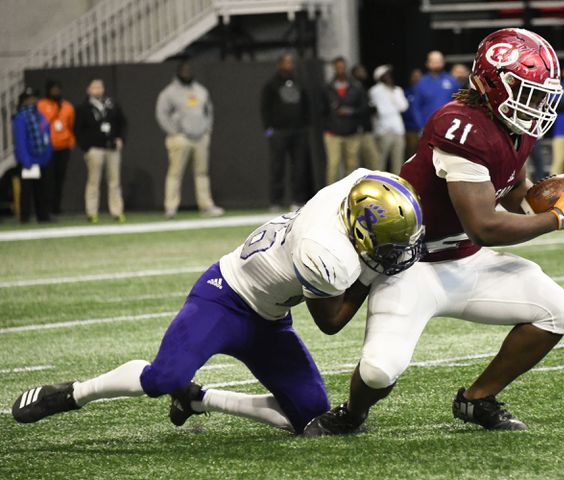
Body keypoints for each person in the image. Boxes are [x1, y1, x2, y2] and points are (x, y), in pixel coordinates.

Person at [305, 28, 564, 436]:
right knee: (377, 371)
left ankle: (477, 399)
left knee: (561, 311)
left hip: (465, 260)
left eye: (540, 93)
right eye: (525, 91)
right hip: (412, 266)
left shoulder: (516, 125)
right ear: (493, 85)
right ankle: (352, 413)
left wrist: (539, 199)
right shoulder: (458, 126)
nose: (535, 104)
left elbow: (510, 187)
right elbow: (485, 225)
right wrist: (556, 219)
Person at [12, 170, 425, 436]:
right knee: (162, 378)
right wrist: (373, 276)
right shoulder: (324, 253)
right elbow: (331, 323)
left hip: (270, 320)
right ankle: (72, 393)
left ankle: (198, 398)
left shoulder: (361, 187)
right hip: (223, 298)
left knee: (310, 418)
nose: (396, 254)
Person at [156, 60, 224, 219]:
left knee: (202, 173)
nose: (187, 73)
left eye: (189, 70)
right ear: (178, 73)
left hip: (200, 138)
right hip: (181, 138)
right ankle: (171, 208)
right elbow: (161, 114)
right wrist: (174, 132)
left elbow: (209, 111)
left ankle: (206, 206)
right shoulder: (169, 92)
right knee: (175, 173)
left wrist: (207, 130)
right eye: (184, 70)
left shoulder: (200, 91)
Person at [261, 53, 311, 211]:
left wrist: (304, 126)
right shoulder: (271, 84)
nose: (290, 65)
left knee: (299, 167)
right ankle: (276, 201)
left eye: (291, 63)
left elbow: (305, 104)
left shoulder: (298, 82)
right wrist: (269, 129)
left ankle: (298, 200)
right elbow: (265, 108)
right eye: (287, 62)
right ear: (279, 64)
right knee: (277, 167)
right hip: (279, 132)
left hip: (298, 132)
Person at [74, 78, 127, 223]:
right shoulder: (83, 108)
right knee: (93, 181)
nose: (97, 90)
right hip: (95, 149)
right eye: (94, 87)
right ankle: (92, 212)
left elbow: (122, 123)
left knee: (114, 181)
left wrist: (120, 138)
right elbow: (77, 130)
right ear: (88, 90)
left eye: (100, 87)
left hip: (111, 148)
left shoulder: (112, 105)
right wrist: (87, 147)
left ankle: (117, 211)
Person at [323, 57, 367, 184]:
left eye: (342, 67)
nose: (340, 70)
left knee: (351, 167)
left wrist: (351, 111)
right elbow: (322, 111)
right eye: (338, 67)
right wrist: (327, 127)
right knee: (333, 165)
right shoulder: (328, 88)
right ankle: (329, 197)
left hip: (351, 131)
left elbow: (364, 108)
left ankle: (348, 196)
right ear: (334, 69)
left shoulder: (355, 87)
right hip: (333, 133)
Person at [12, 86, 52, 223]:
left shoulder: (40, 116)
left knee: (42, 190)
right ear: (24, 101)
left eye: (34, 98)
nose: (32, 101)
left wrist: (47, 155)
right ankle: (25, 217)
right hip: (28, 160)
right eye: (29, 99)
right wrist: (25, 160)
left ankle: (43, 216)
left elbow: (46, 135)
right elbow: (20, 140)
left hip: (41, 159)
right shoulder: (20, 117)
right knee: (26, 191)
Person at [37, 79, 75, 216]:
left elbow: (71, 126)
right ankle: (46, 208)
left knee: (60, 178)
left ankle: (56, 207)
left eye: (58, 89)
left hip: (63, 147)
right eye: (53, 89)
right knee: (48, 179)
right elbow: (40, 125)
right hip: (48, 148)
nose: (56, 92)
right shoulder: (41, 105)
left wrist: (70, 142)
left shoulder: (68, 106)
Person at [369, 65, 409, 174]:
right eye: (385, 75)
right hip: (384, 130)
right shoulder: (375, 91)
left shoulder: (397, 90)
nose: (388, 77)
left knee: (398, 160)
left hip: (398, 129)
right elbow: (381, 110)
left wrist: (393, 93)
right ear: (379, 77)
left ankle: (395, 186)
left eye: (389, 74)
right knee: (380, 161)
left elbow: (404, 107)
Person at [414, 51, 459, 128]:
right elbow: (416, 107)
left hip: (449, 126)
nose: (437, 63)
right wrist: (420, 126)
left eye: (439, 60)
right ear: (427, 63)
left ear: (443, 62)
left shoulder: (452, 81)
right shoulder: (421, 82)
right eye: (434, 61)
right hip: (428, 126)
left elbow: (459, 105)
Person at [351, 64, 383, 172]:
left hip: (365, 130)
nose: (364, 73)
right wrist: (369, 108)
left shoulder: (363, 87)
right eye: (361, 71)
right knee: (353, 163)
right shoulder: (353, 88)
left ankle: (375, 185)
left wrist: (371, 108)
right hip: (356, 130)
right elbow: (355, 108)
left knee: (374, 161)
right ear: (355, 74)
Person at [403, 68, 423, 159]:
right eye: (414, 76)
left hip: (425, 128)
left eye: (419, 76)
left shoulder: (425, 92)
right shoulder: (407, 92)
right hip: (411, 129)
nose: (417, 78)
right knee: (411, 154)